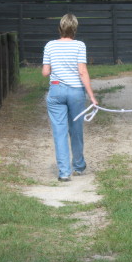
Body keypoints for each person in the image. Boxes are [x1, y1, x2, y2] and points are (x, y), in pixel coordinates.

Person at [42, 13, 98, 182]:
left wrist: (56, 68)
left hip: (56, 90)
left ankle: (64, 172)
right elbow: (82, 72)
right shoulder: (80, 46)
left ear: (60, 28)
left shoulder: (50, 45)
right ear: (75, 29)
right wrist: (92, 97)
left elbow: (45, 72)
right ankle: (79, 166)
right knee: (76, 130)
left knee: (59, 132)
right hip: (75, 92)